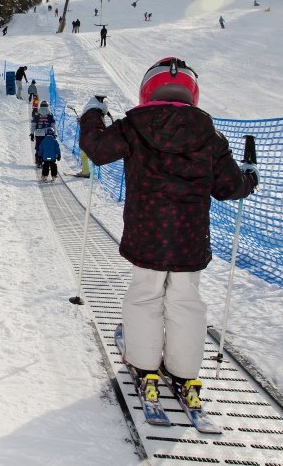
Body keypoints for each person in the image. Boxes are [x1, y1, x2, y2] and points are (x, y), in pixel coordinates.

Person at [78, 57, 258, 410]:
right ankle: (185, 373)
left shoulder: (135, 127)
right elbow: (229, 187)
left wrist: (93, 112)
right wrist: (250, 175)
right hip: (189, 238)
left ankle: (145, 369)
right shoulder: (210, 136)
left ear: (148, 90)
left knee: (145, 295)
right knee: (185, 301)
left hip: (147, 232)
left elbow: (97, 150)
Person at [30, 100, 55, 166]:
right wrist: (54, 133)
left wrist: (32, 133)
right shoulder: (50, 114)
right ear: (47, 106)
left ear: (40, 106)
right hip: (48, 134)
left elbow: (33, 124)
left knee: (38, 147)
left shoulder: (37, 114)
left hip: (38, 134)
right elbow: (53, 125)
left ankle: (39, 161)